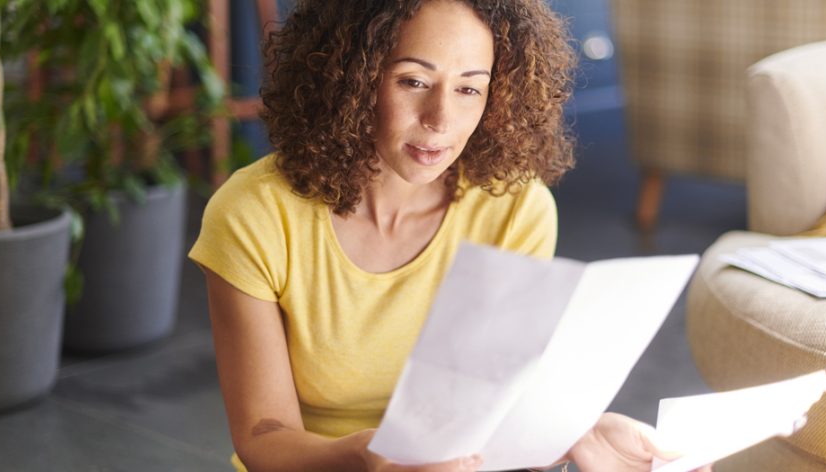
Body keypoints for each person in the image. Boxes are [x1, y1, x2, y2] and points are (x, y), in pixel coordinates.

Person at [189, 1, 711, 471]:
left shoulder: (515, 211)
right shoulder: (253, 215)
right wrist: (370, 459)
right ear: (349, 76)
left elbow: (500, 401)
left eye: (468, 88)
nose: (441, 119)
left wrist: (582, 432)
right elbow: (264, 437)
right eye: (413, 81)